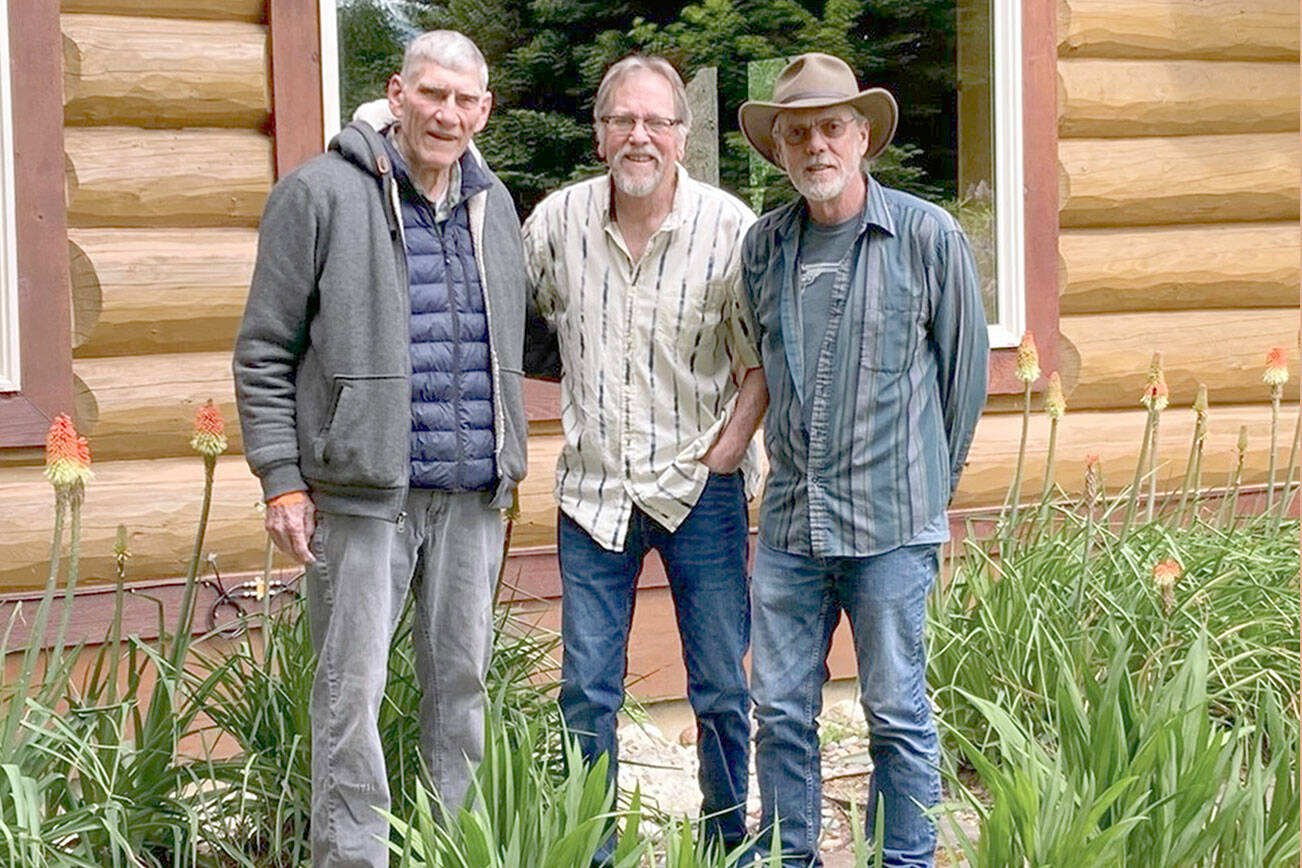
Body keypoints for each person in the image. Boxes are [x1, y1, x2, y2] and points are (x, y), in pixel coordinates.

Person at [232, 30, 529, 868]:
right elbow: (263, 349)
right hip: (361, 501)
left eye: (465, 99)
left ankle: (449, 851)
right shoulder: (319, 194)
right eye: (432, 94)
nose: (447, 113)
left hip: (471, 497)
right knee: (348, 697)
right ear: (397, 94)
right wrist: (282, 479)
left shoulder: (493, 204)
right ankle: (351, 857)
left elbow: (502, 339)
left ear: (484, 109)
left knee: (461, 693)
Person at [737, 53, 989, 867]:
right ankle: (792, 855)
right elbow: (764, 370)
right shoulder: (765, 247)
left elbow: (964, 383)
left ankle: (904, 860)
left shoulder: (926, 235)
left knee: (896, 713)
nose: (816, 145)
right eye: (798, 131)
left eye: (832, 127)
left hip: (890, 530)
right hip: (788, 531)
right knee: (778, 713)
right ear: (778, 149)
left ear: (863, 137)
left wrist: (923, 492)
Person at [522, 55, 767, 856]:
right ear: (599, 137)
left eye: (656, 121)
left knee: (723, 690)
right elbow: (513, 327)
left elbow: (761, 360)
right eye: (622, 120)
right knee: (586, 693)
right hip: (594, 496)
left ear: (682, 138)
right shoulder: (554, 225)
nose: (639, 136)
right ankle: (589, 848)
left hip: (701, 493)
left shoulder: (729, 229)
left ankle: (726, 841)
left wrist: (727, 455)